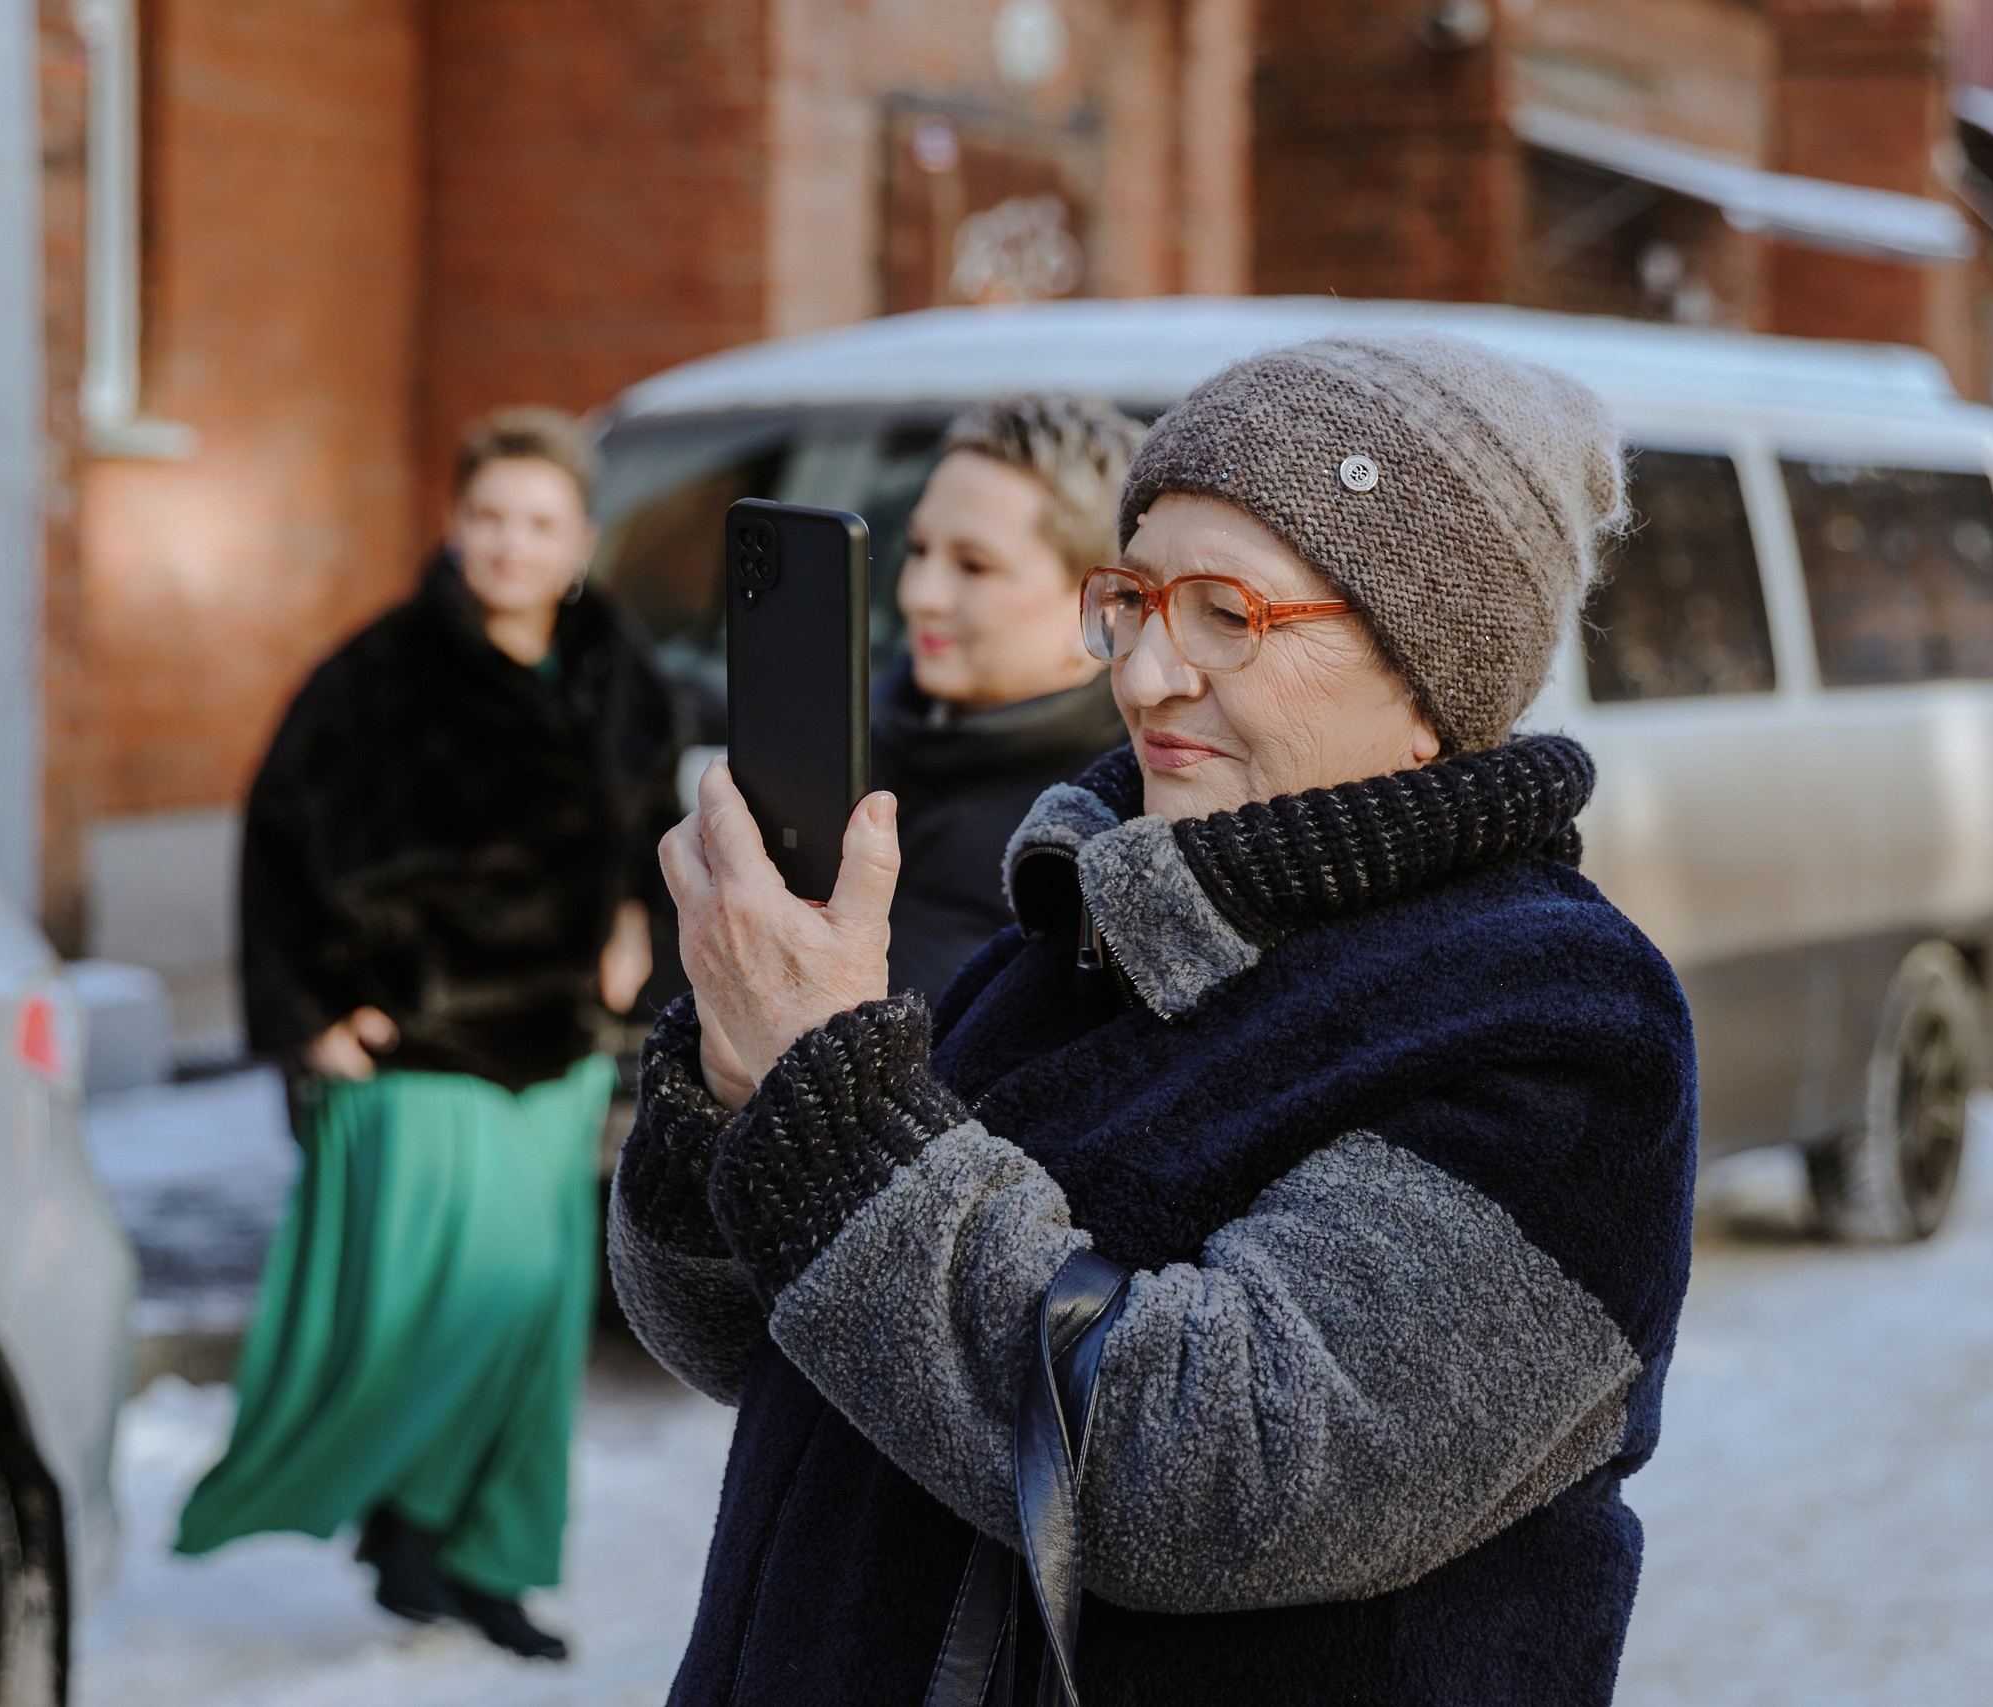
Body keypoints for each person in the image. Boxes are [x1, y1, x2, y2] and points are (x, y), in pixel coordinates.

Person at [608, 335, 1698, 1703]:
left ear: (1429, 685)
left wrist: (832, 1105)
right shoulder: (1078, 932)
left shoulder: (1560, 1025)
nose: (1146, 674)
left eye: (1228, 614)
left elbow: (1212, 1467)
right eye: (1130, 598)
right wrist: (738, 1073)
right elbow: (747, 1336)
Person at [178, 406, 686, 1662]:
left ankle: (481, 1559)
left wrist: (636, 916)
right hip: (422, 1051)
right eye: (490, 519)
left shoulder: (620, 670)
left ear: (579, 541)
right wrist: (308, 1018)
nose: (512, 546)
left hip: (561, 1046)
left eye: (539, 523)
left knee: (529, 1322)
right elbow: (279, 843)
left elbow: (648, 830)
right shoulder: (378, 676)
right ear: (453, 528)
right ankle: (399, 1518)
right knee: (443, 1309)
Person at [876, 395, 1140, 1002]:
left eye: (974, 566)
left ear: (1099, 603)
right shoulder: (864, 739)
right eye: (918, 550)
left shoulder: (1101, 826)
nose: (920, 594)